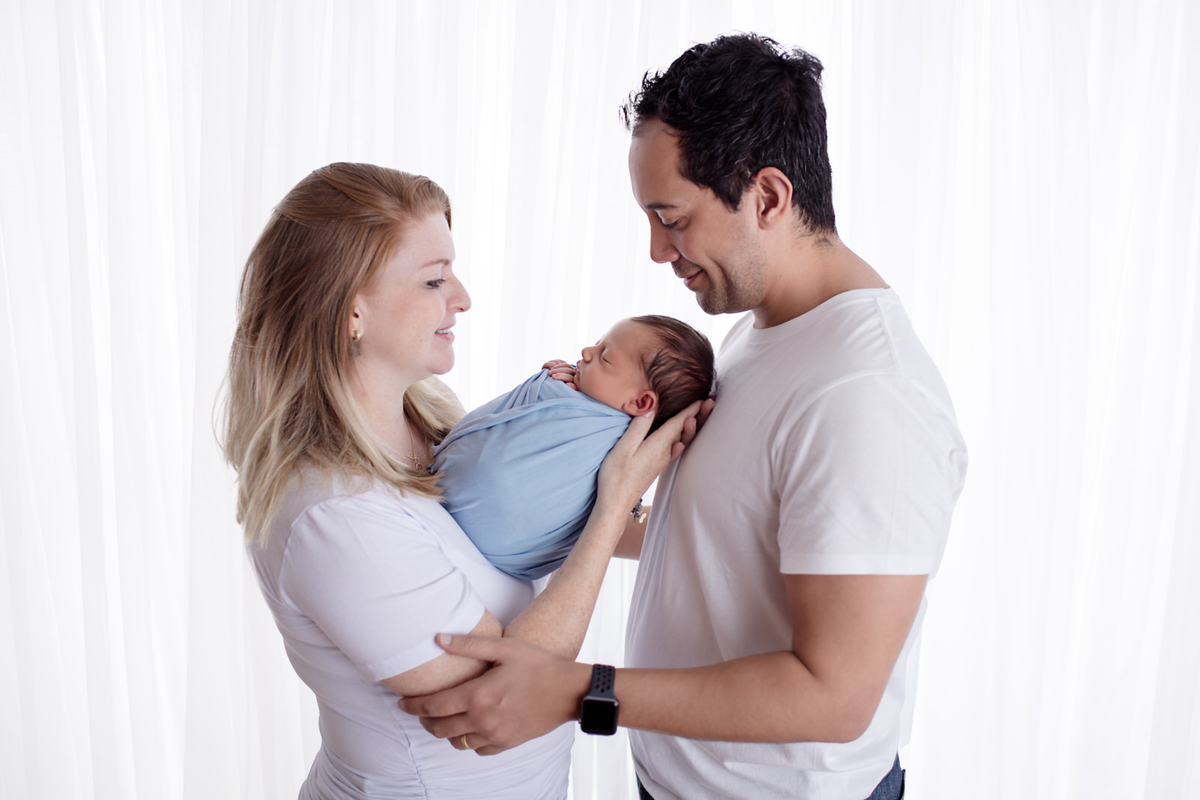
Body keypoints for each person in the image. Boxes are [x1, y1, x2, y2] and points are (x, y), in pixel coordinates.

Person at [400, 33, 968, 800]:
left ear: (767, 198)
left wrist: (577, 689)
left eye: (671, 217)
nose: (657, 251)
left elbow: (835, 698)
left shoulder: (868, 396)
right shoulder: (761, 333)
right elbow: (718, 538)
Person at [219, 162, 700, 799]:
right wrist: (615, 505)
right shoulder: (334, 514)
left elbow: (544, 521)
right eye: (434, 279)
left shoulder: (431, 419)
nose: (464, 297)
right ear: (351, 311)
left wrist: (719, 535)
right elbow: (504, 694)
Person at [432, 315, 714, 580]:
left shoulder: (627, 452)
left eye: (604, 357)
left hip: (476, 524)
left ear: (640, 403)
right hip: (509, 558)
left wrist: (546, 388)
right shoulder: (570, 393)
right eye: (597, 344)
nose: (586, 352)